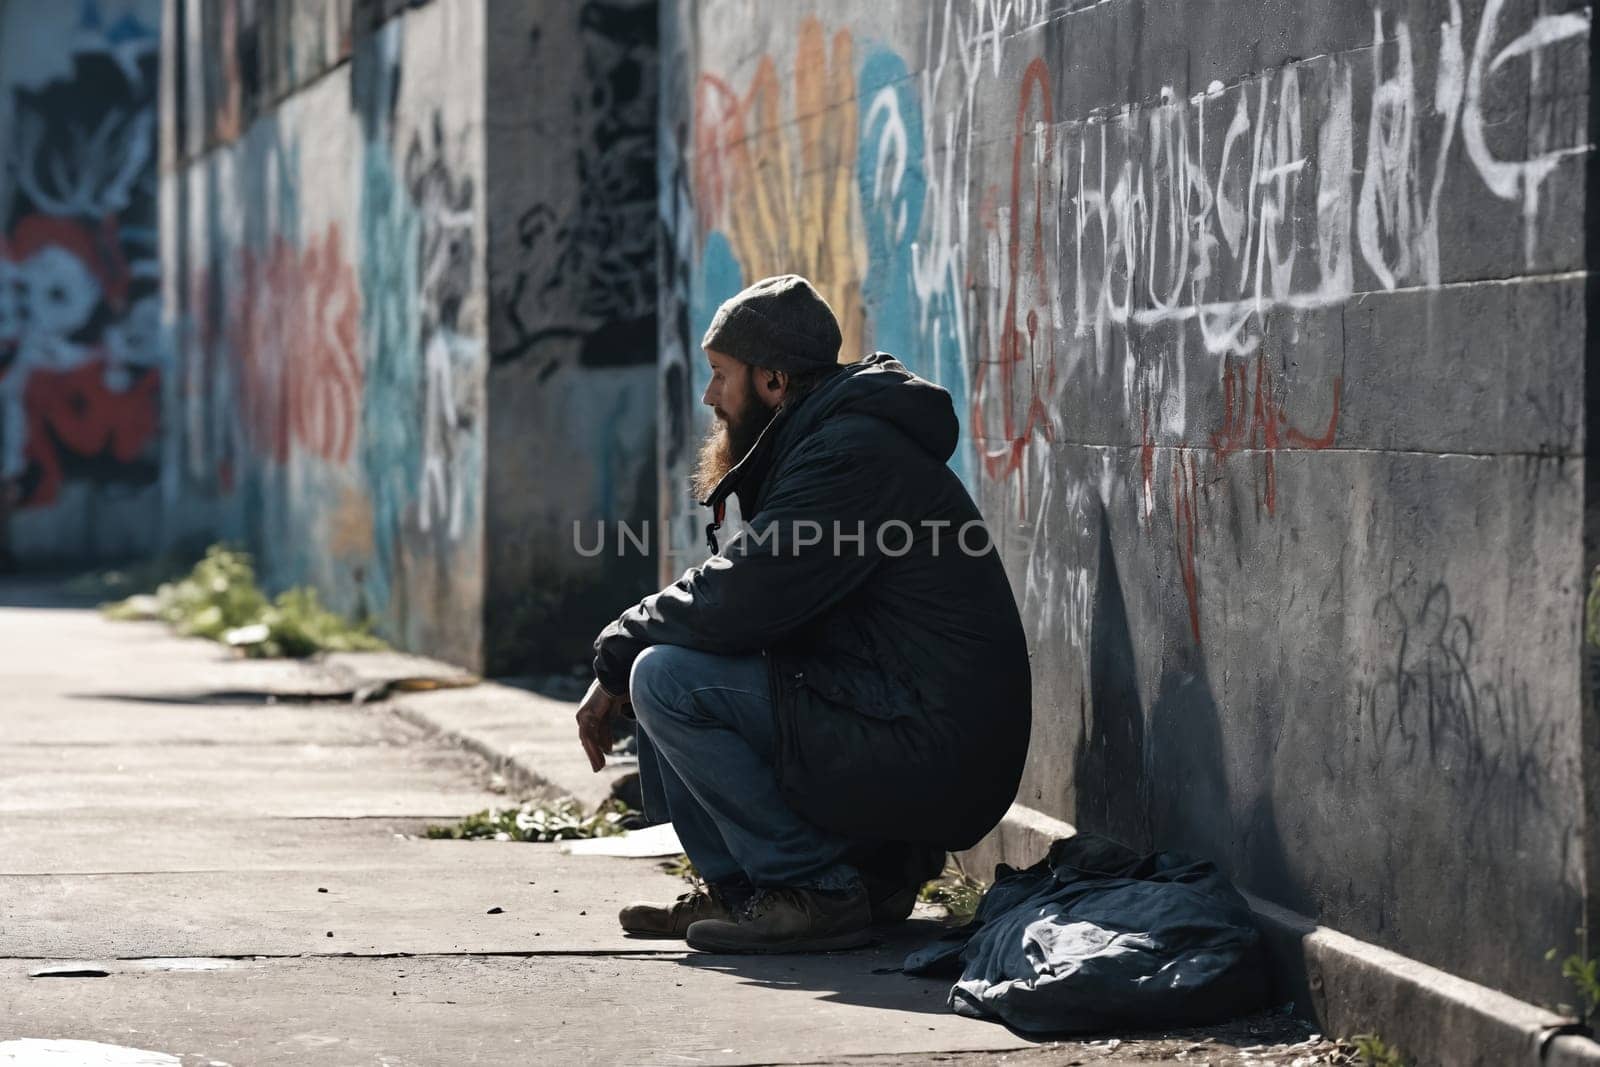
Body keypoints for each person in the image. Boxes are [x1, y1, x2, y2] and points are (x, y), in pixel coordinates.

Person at [576, 274, 1031, 954]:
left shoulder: (849, 453)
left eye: (721, 376)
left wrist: (616, 648)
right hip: (898, 718)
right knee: (667, 653)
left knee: (663, 676)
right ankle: (760, 892)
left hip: (933, 743)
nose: (709, 397)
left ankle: (810, 890)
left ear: (773, 381)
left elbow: (742, 597)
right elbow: (750, 605)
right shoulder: (824, 443)